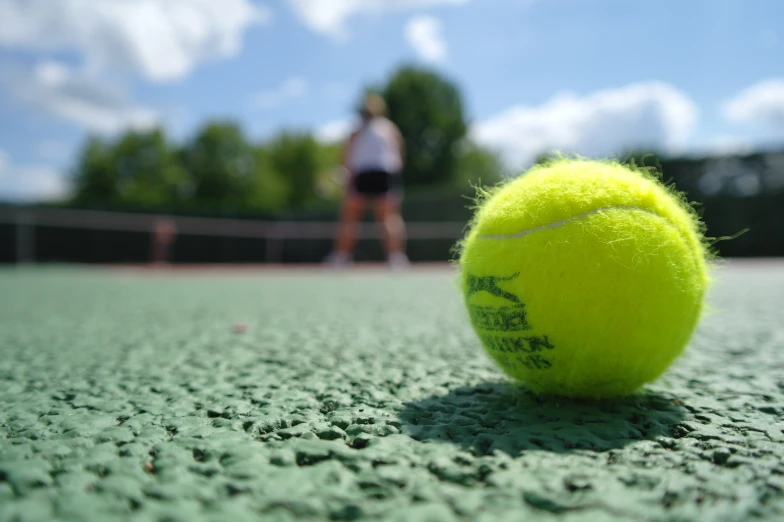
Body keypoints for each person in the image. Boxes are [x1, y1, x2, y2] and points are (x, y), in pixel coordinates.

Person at [325, 94, 409, 268]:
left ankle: (341, 257)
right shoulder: (389, 128)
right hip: (382, 173)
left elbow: (345, 156)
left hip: (365, 173)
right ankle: (396, 259)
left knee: (351, 218)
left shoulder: (357, 130)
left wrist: (345, 175)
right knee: (388, 217)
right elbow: (400, 154)